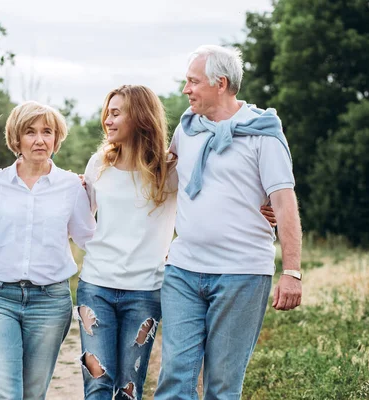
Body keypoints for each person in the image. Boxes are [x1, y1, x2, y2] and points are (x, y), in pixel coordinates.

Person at [154, 45, 302, 400]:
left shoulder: (263, 133)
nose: (186, 89)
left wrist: (292, 272)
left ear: (220, 83)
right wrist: (97, 175)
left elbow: (284, 205)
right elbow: (162, 184)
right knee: (175, 377)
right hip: (184, 271)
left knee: (222, 385)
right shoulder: (186, 129)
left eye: (193, 82)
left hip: (242, 274)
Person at [0, 101, 96, 399]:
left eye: (47, 132)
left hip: (50, 303)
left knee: (32, 394)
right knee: (4, 393)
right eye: (30, 132)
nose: (40, 140)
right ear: (16, 139)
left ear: (56, 138)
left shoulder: (71, 186)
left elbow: (89, 238)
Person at [75, 85, 177, 400]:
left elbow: (208, 203)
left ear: (139, 117)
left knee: (128, 390)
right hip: (96, 286)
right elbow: (79, 219)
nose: (108, 119)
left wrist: (260, 209)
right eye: (108, 112)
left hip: (145, 291)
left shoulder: (168, 170)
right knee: (97, 385)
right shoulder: (98, 163)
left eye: (116, 113)